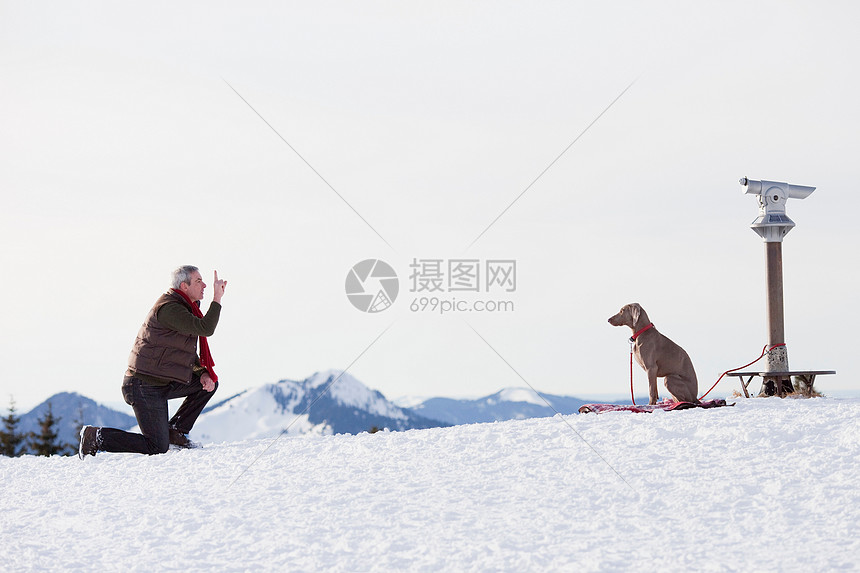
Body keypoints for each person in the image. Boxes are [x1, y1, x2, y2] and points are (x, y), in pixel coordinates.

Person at [79, 265, 227, 457]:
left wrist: (203, 372)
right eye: (198, 281)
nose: (205, 285)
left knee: (208, 384)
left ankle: (176, 431)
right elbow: (206, 328)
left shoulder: (187, 307)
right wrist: (217, 299)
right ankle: (96, 437)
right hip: (143, 385)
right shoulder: (170, 309)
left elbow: (186, 352)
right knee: (156, 447)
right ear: (184, 286)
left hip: (163, 381)